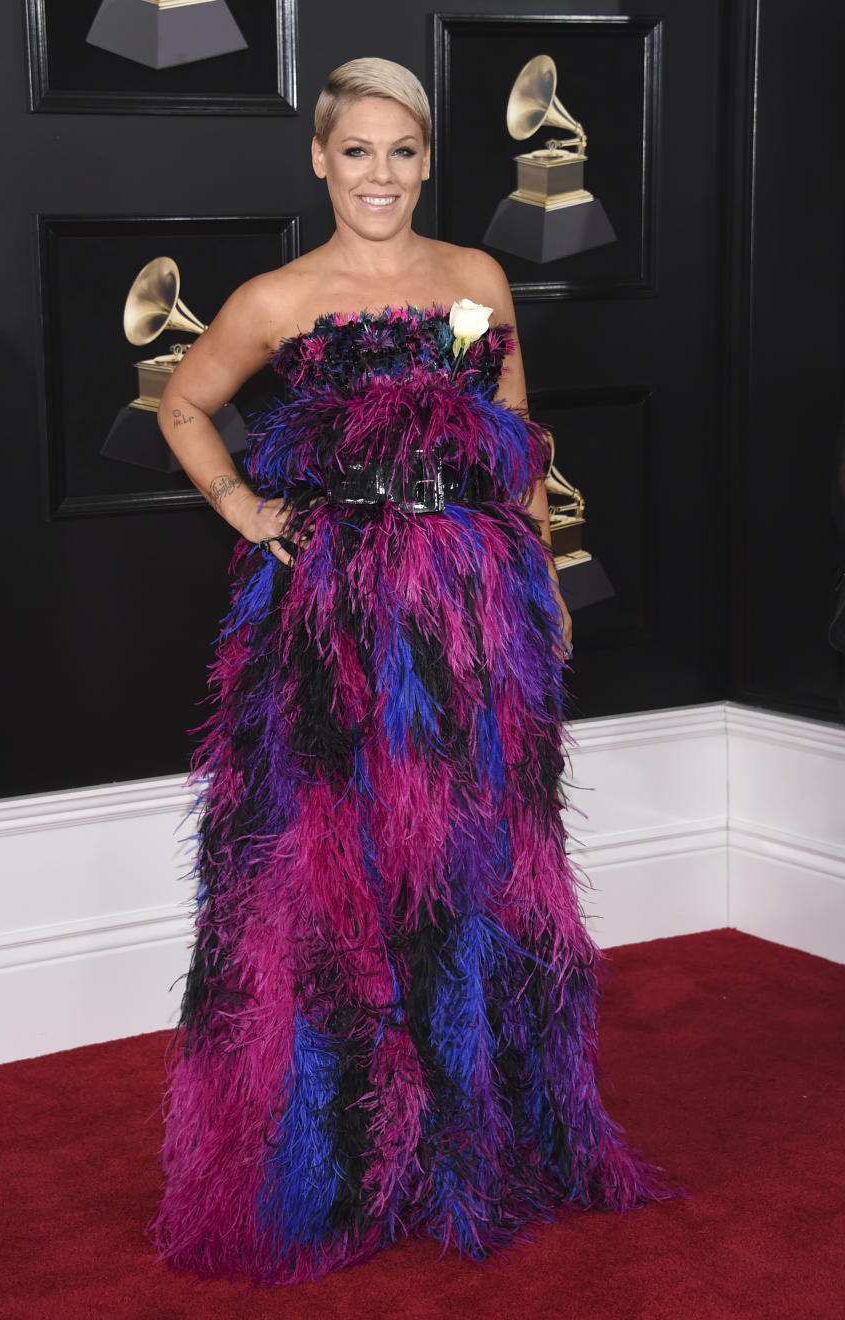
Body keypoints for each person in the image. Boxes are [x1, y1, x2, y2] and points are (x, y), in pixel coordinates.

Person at [148, 57, 675, 1285]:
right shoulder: (279, 294)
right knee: (336, 868)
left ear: (429, 160)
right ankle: (341, 1158)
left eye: (401, 151)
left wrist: (541, 581)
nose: (379, 174)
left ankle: (475, 1140)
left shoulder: (477, 277)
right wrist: (248, 509)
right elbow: (184, 404)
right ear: (320, 161)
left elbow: (519, 441)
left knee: (476, 864)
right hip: (334, 617)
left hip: (472, 609)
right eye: (356, 152)